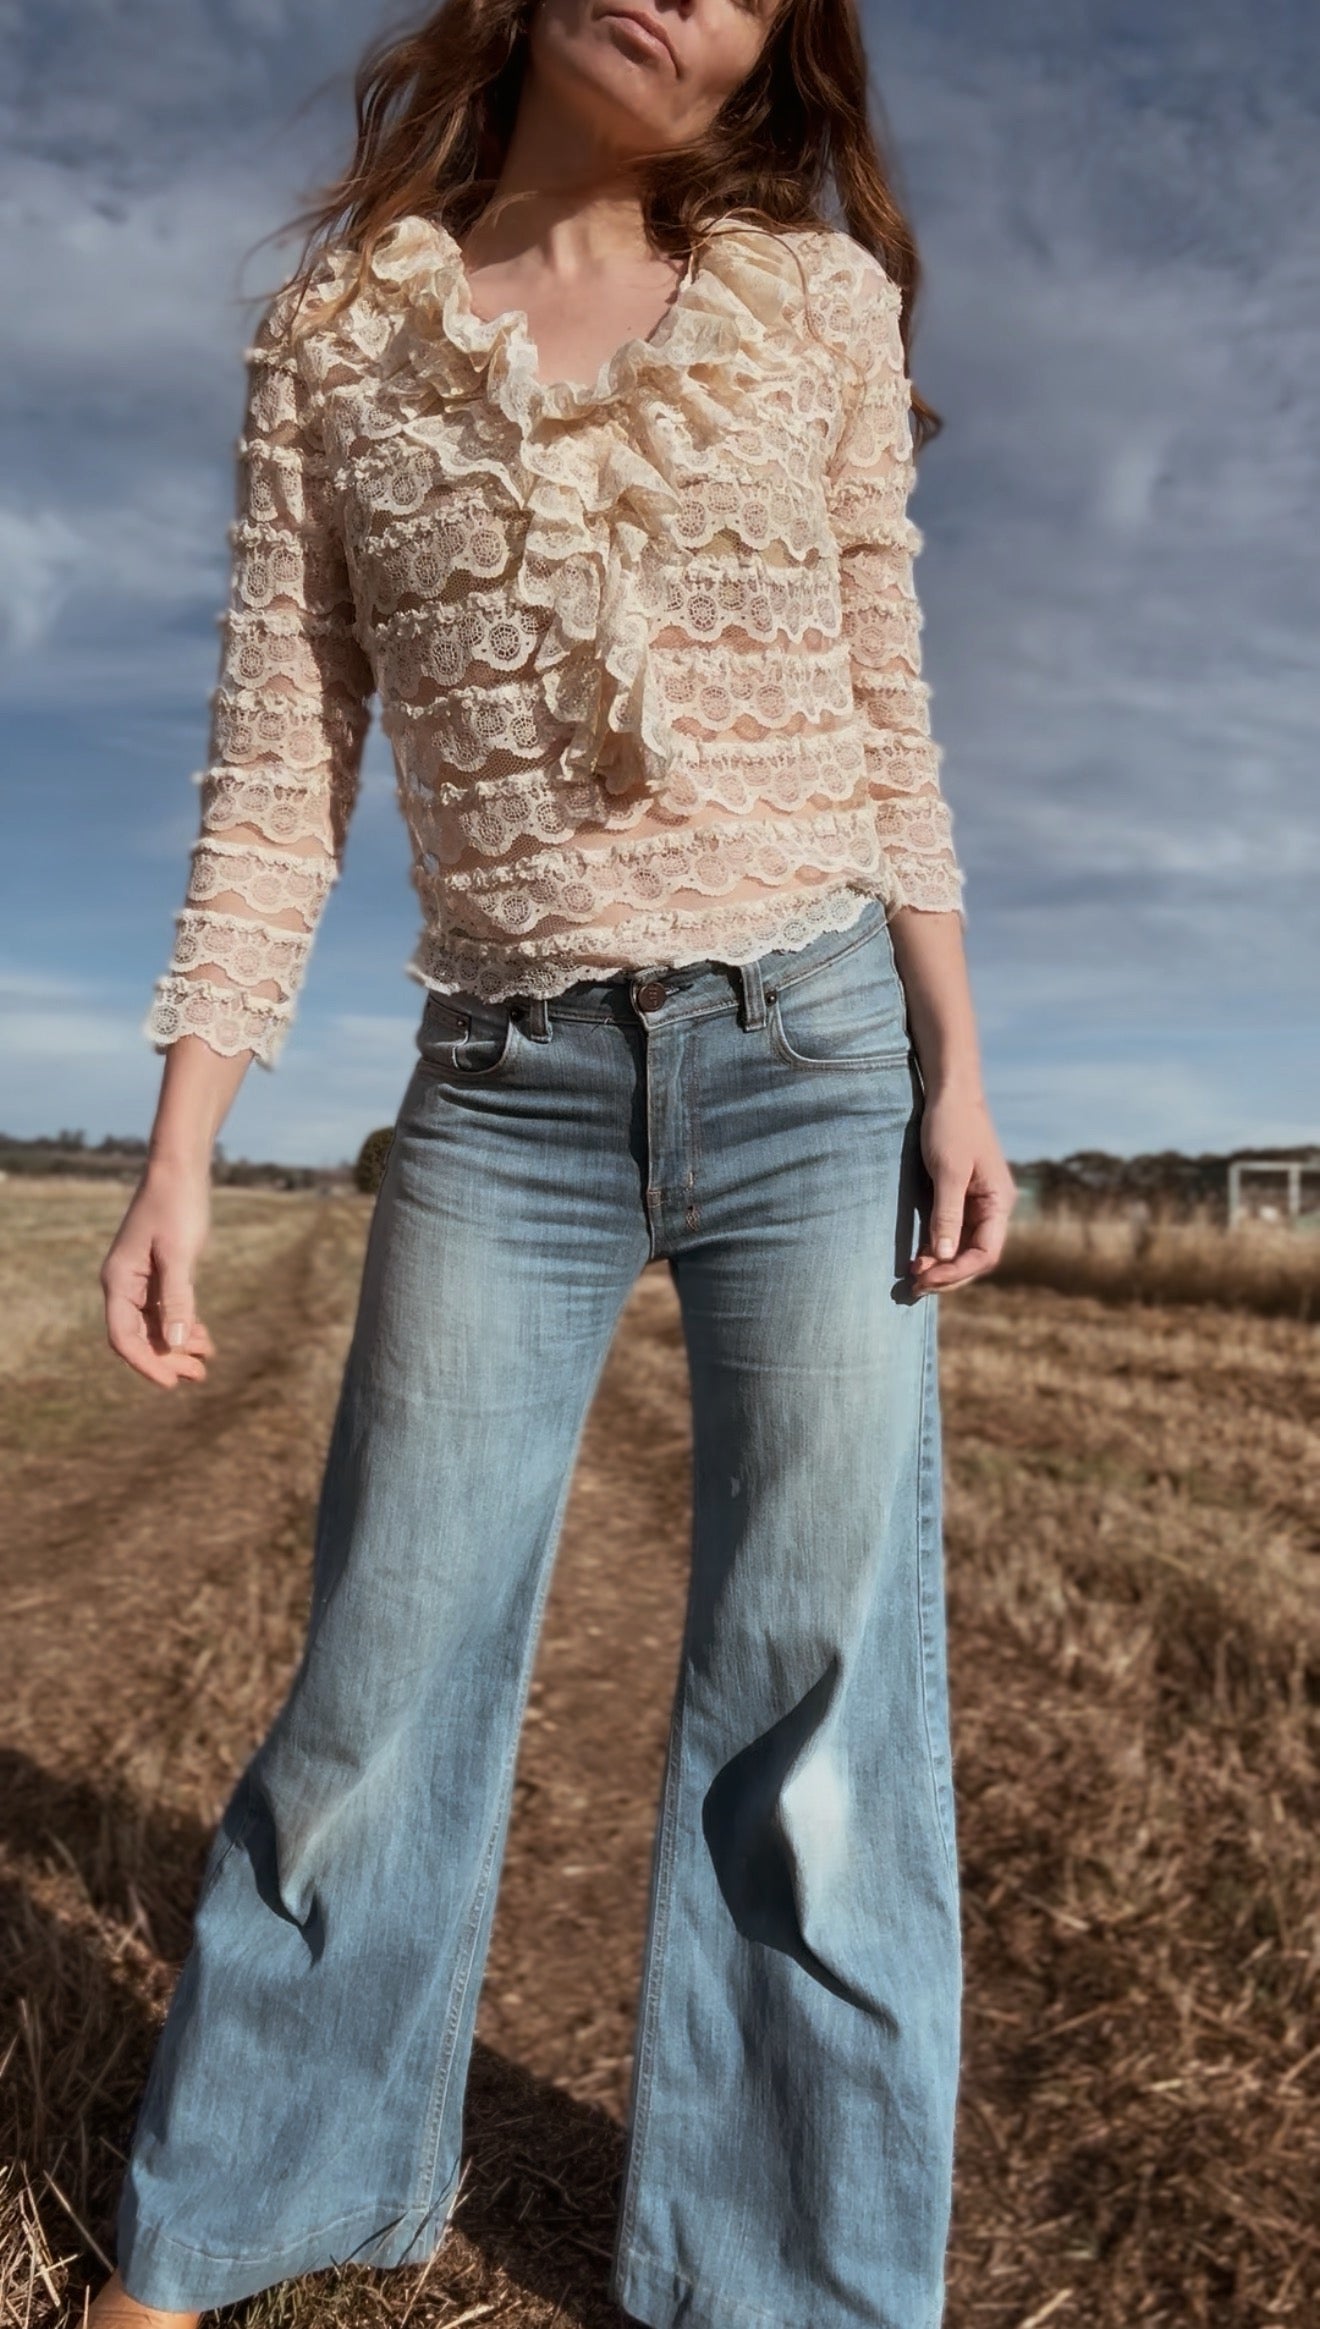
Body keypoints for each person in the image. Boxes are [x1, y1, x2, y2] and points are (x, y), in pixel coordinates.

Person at [92, 0, 1016, 2319]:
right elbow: (276, 772)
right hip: (498, 1090)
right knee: (378, 1677)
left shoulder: (814, 300)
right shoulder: (335, 342)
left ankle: (791, 2281)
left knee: (815, 1709)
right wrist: (180, 1148)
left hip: (812, 1056)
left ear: (773, 53)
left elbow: (888, 708)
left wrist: (955, 1061)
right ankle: (244, 2203)